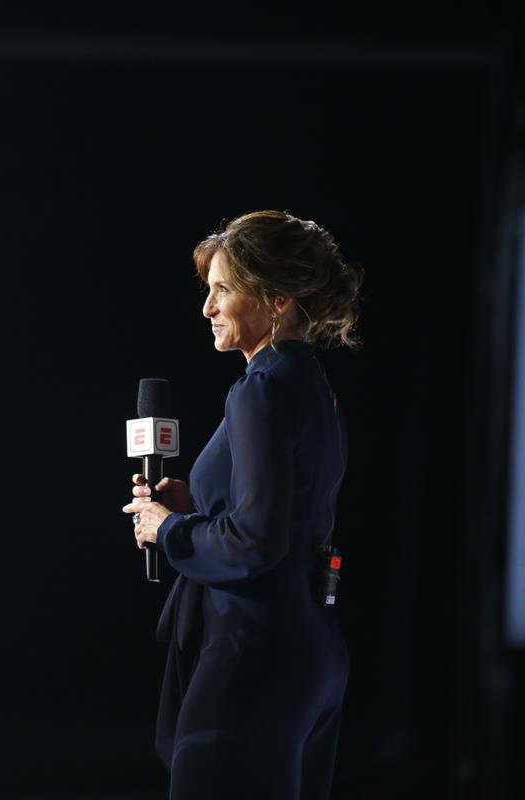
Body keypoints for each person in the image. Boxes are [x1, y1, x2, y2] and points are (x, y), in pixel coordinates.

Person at [122, 210, 362, 799]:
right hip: (312, 653)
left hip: (251, 657)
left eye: (223, 290)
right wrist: (193, 504)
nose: (207, 308)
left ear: (277, 299)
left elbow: (255, 541)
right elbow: (288, 514)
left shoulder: (261, 389)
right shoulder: (312, 384)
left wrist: (170, 529)